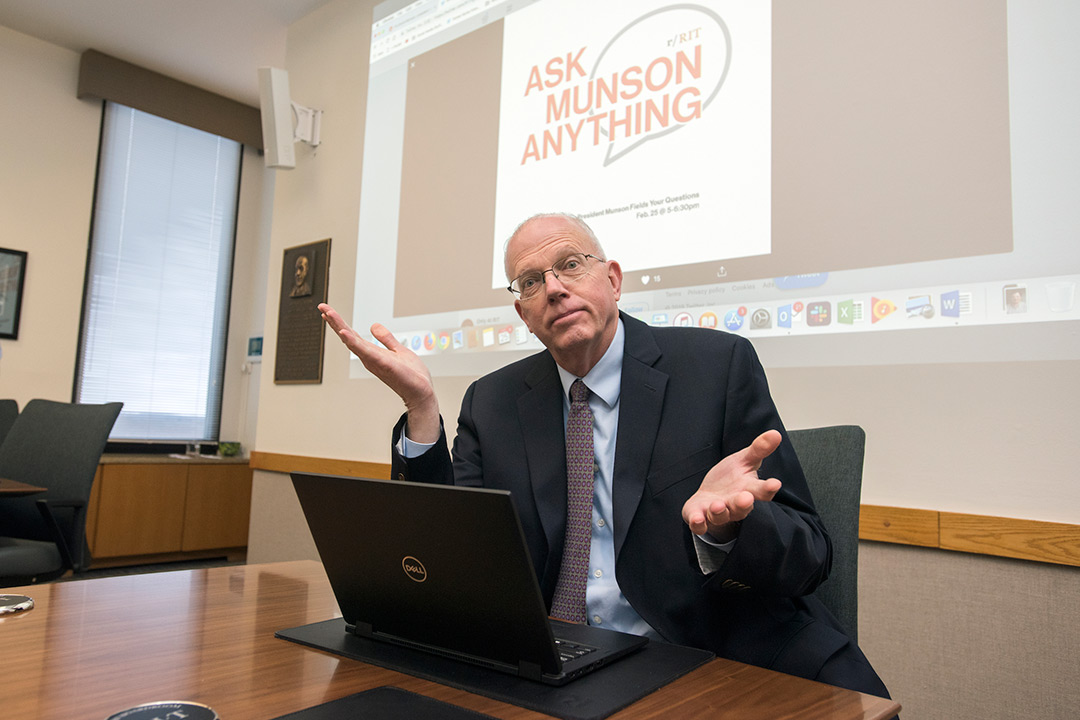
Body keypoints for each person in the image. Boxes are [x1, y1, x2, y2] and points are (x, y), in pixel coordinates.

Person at [319, 212, 891, 699]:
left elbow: (810, 552)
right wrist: (421, 408)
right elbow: (450, 558)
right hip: (557, 668)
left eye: (570, 265)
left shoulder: (716, 369)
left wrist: (729, 531)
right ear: (522, 313)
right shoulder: (492, 402)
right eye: (530, 281)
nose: (555, 288)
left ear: (613, 280)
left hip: (709, 656)